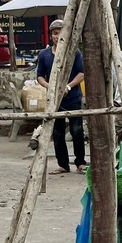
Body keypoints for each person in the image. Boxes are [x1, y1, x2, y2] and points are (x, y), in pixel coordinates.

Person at [36, 18, 86, 175]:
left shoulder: (74, 53)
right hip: (54, 100)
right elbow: (40, 76)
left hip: (73, 98)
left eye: (60, 33)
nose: (57, 36)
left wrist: (69, 86)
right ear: (51, 35)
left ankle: (80, 163)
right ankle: (63, 164)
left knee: (77, 130)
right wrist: (50, 87)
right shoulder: (44, 55)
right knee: (57, 132)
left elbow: (81, 73)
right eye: (55, 33)